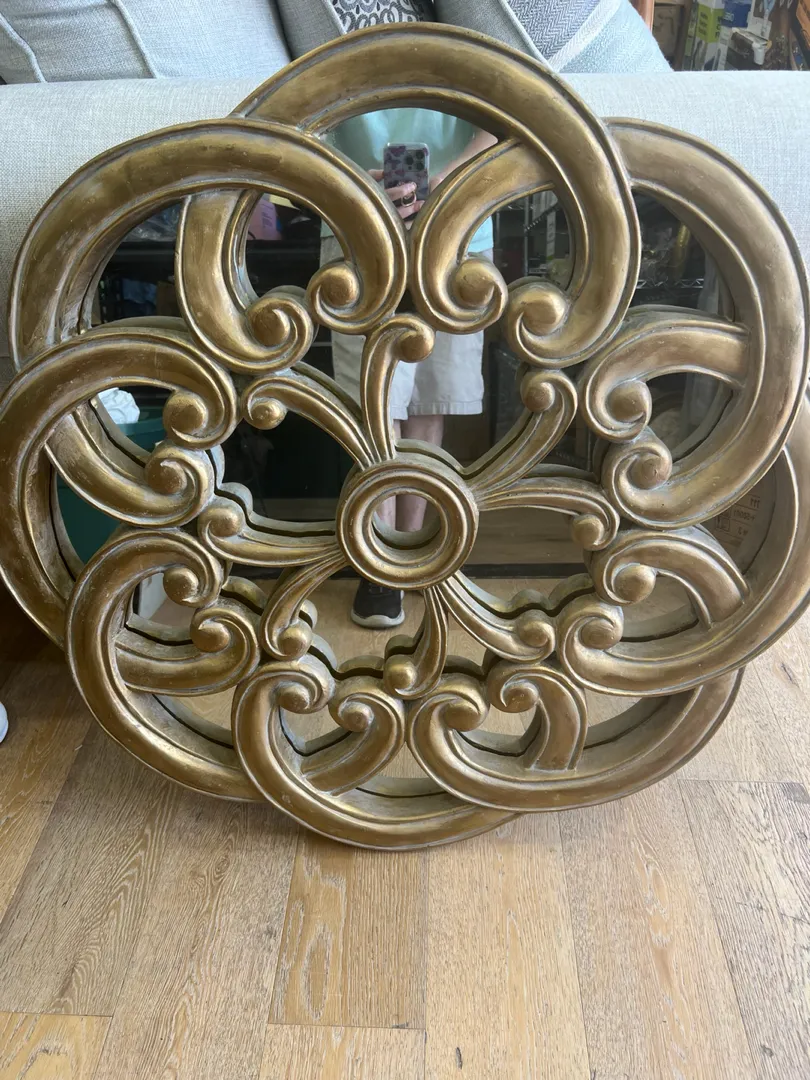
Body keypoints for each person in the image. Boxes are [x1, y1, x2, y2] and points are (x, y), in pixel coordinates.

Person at [323, 112, 496, 627]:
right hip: (359, 220)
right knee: (374, 405)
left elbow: (504, 117)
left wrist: (449, 179)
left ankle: (409, 548)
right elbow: (301, 118)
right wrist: (348, 179)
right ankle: (379, 562)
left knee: (428, 399)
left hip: (459, 222)